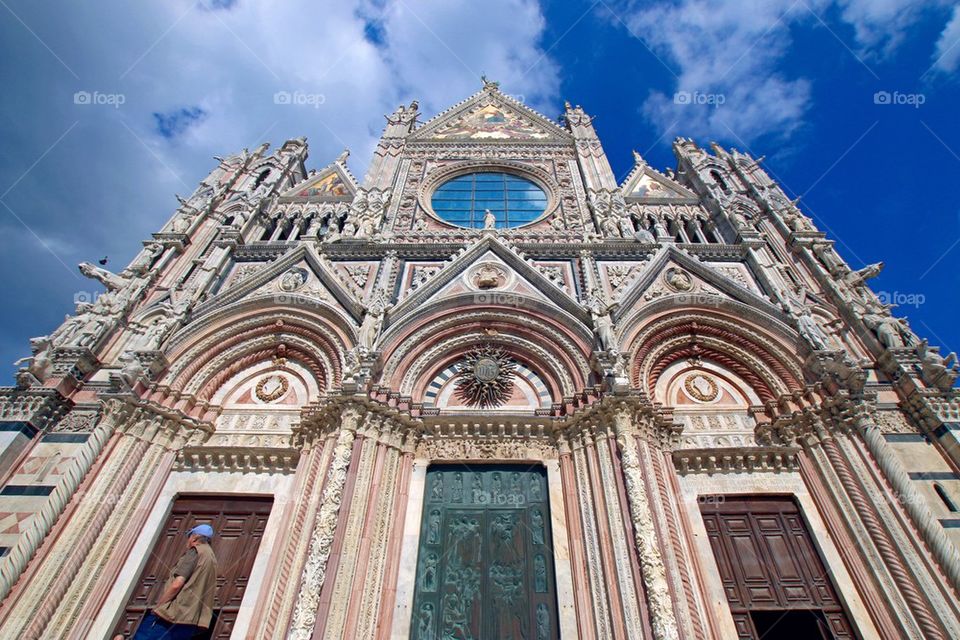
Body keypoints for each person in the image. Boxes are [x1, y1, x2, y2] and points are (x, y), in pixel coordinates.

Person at [122, 524, 219, 640]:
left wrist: (160, 606)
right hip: (191, 620)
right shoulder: (212, 558)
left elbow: (177, 583)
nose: (187, 541)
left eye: (189, 537)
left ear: (194, 538)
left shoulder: (195, 551)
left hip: (173, 615)